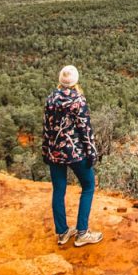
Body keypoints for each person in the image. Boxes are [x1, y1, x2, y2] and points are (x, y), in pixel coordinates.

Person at [41, 64, 103, 247]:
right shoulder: (78, 100)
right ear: (76, 81)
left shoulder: (51, 98)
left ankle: (62, 233)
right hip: (75, 152)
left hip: (55, 152)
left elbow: (46, 127)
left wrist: (46, 150)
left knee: (58, 191)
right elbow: (85, 129)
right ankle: (82, 233)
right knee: (89, 185)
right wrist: (91, 152)